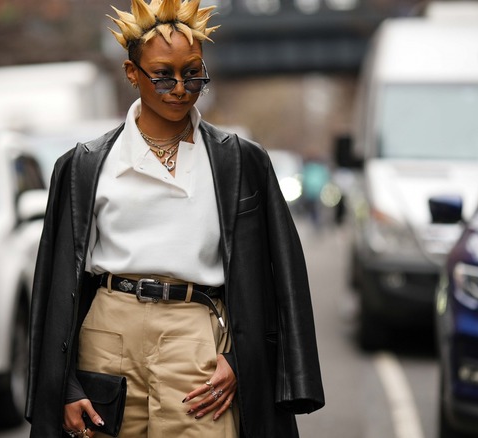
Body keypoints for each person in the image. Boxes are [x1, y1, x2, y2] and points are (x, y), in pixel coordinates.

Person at [25, 1, 325, 437]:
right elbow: (56, 285)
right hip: (108, 335)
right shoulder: (83, 166)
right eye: (163, 74)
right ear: (132, 73)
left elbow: (280, 276)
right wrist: (65, 384)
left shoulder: (241, 162)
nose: (181, 87)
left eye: (193, 72)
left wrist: (243, 357)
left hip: (196, 334)